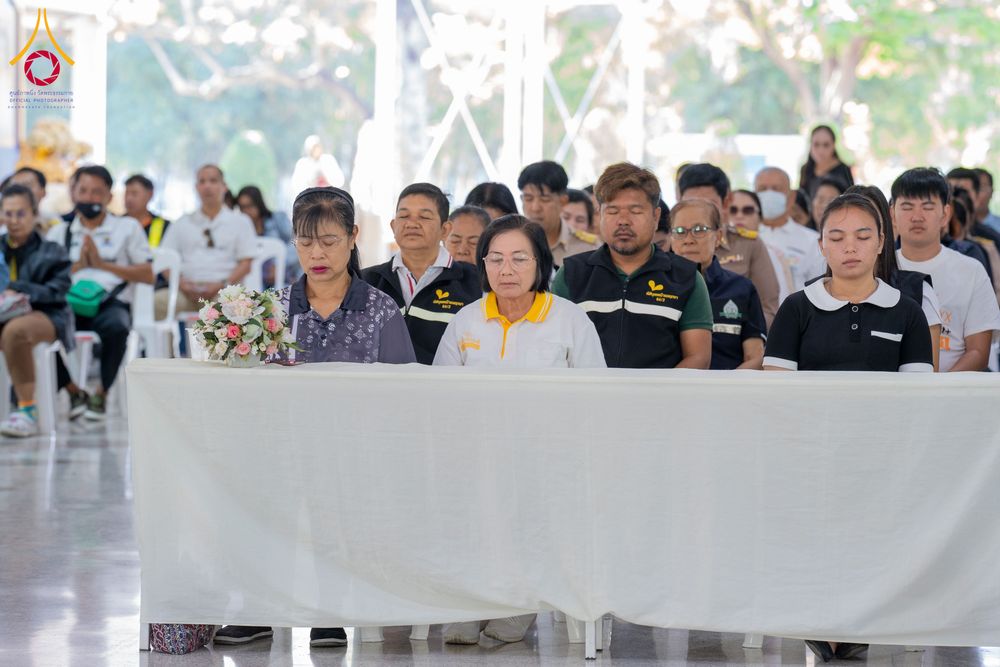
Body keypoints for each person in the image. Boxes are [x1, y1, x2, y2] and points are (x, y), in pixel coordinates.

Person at [215, 187, 415, 649]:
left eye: (328, 240)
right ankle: (259, 607)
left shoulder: (380, 309)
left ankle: (330, 610)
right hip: (282, 444)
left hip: (354, 448)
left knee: (338, 505)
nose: (317, 253)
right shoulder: (270, 310)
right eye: (305, 243)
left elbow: (402, 392)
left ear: (352, 237)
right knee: (257, 503)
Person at [434, 214, 603, 645]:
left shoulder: (569, 320)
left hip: (549, 454)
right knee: (468, 512)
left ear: (540, 264)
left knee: (530, 510)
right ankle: (473, 602)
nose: (506, 270)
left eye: (518, 259)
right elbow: (441, 393)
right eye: (495, 259)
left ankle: (519, 603)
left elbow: (595, 394)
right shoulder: (466, 321)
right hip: (477, 451)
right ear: (482, 265)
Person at [551, 162, 713, 368]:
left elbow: (698, 357)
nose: (623, 221)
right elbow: (555, 351)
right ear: (599, 214)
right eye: (613, 211)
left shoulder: (686, 278)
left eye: (635, 211)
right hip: (588, 396)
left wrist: (654, 396)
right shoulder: (572, 275)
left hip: (661, 398)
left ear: (655, 217)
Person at [765, 193, 932, 375]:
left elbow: (918, 391)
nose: (850, 248)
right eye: (837, 238)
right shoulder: (795, 309)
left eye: (863, 237)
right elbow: (778, 389)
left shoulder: (908, 312)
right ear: (822, 246)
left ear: (880, 242)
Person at [47, 166, 154, 420]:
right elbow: (48, 277)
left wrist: (101, 264)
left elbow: (147, 274)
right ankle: (73, 390)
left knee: (118, 327)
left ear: (109, 197)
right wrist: (80, 266)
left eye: (97, 192)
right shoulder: (59, 232)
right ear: (73, 193)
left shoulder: (127, 228)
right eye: (83, 190)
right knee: (41, 328)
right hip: (69, 304)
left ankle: (102, 393)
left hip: (110, 302)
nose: (89, 198)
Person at [893, 168, 1000, 372]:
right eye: (907, 207)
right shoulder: (878, 270)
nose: (917, 216)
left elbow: (978, 352)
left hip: (954, 394)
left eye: (927, 206)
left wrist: (940, 389)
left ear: (945, 214)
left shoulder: (971, 271)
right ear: (892, 214)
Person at [361, 183, 481, 364]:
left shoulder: (475, 282)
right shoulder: (366, 281)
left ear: (445, 230)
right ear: (393, 226)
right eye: (404, 216)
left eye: (424, 217)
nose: (411, 224)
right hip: (380, 389)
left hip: (445, 389)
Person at [846, 184, 943, 371]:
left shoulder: (919, 293)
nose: (857, 234)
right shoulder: (808, 297)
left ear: (884, 232)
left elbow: (927, 378)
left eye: (869, 222)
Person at [0, 185, 72, 437]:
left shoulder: (52, 251)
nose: (13, 221)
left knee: (15, 331)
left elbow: (57, 292)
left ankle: (26, 410)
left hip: (45, 316)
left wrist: (16, 290)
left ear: (33, 213)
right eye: (8, 214)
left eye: (20, 214)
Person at [678, 163, 781, 326]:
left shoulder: (748, 244)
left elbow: (768, 309)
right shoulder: (669, 244)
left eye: (708, 205)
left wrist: (744, 337)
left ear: (726, 202)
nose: (698, 214)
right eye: (690, 204)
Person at [668, 200, 765, 370]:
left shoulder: (741, 288)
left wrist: (725, 387)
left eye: (699, 230)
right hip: (673, 389)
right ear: (671, 239)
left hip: (729, 388)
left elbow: (755, 357)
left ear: (718, 237)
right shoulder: (656, 288)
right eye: (680, 231)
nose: (688, 240)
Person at [157, 165, 257, 318]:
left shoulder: (240, 222)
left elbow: (246, 263)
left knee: (235, 306)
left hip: (225, 292)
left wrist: (222, 284)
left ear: (224, 187)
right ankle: (166, 343)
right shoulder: (182, 223)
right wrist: (180, 284)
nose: (207, 186)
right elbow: (164, 261)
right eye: (202, 182)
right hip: (186, 292)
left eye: (213, 181)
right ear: (196, 188)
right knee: (157, 302)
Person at [754, 166, 827, 293]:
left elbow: (819, 290)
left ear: (792, 197)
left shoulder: (813, 241)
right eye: (762, 189)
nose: (769, 194)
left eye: (776, 189)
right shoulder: (743, 239)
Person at [517, 161, 600, 267]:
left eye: (544, 199)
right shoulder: (509, 244)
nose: (535, 208)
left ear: (563, 202)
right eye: (528, 199)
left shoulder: (588, 249)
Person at [236, 185, 299, 287]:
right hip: (257, 284)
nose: (246, 212)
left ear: (259, 204)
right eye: (242, 208)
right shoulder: (241, 229)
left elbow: (296, 243)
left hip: (286, 279)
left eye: (250, 206)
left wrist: (279, 264)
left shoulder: (277, 218)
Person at [798, 124, 854, 196]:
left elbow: (850, 199)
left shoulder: (844, 170)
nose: (821, 150)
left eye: (826, 145)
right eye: (816, 144)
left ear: (833, 145)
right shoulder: (806, 170)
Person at [124, 174, 170, 249]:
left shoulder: (165, 227)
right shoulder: (116, 223)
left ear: (150, 195)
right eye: (126, 193)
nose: (129, 199)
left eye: (134, 193)